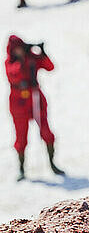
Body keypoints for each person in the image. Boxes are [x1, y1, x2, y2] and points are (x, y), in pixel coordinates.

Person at [5, 36, 65, 181]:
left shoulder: (31, 57)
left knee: (47, 132)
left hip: (36, 100)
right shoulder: (10, 62)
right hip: (18, 103)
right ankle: (21, 169)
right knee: (21, 137)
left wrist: (42, 53)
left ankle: (52, 164)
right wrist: (22, 60)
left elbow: (50, 67)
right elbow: (14, 75)